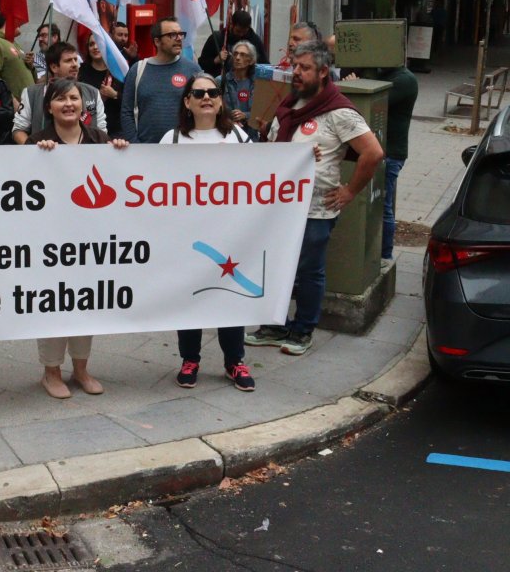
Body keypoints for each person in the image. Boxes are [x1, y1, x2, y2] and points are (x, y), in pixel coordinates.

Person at [246, 41, 384, 355]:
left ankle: (303, 330)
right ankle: (274, 326)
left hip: (315, 209)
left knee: (309, 270)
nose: (296, 72)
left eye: (304, 67)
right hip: (279, 206)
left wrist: (349, 191)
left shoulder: (339, 111)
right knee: (276, 265)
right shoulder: (289, 104)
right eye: (295, 65)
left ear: (323, 72)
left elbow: (373, 153)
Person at [26, 78, 128, 398]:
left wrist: (120, 152)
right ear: (49, 107)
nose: (68, 104)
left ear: (83, 105)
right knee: (53, 303)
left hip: (90, 240)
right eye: (61, 99)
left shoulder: (99, 139)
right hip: (51, 241)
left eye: (74, 98)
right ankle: (51, 372)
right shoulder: (37, 142)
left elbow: (116, 181)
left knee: (86, 301)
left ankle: (81, 369)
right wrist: (39, 156)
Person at [159, 73, 255, 391]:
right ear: (187, 102)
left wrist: (306, 157)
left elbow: (265, 173)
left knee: (230, 297)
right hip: (186, 236)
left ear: (220, 100)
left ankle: (234, 361)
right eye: (198, 93)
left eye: (213, 92)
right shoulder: (172, 139)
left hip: (230, 233)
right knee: (190, 297)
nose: (206, 98)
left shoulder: (238, 136)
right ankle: (190, 359)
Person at [120, 17, 203, 144]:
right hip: (145, 150)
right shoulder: (137, 70)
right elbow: (126, 112)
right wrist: (135, 144)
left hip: (184, 149)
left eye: (180, 34)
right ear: (157, 41)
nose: (179, 38)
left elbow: (203, 109)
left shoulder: (193, 70)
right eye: (172, 35)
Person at [367, 65, 418, 263]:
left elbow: (374, 103)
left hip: (390, 153)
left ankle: (385, 256)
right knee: (380, 204)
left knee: (383, 206)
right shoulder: (387, 75)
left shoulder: (404, 80)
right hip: (384, 150)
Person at [13, 42, 106, 144]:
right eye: (68, 61)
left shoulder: (93, 93)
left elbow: (101, 132)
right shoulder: (32, 93)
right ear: (54, 67)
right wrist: (36, 150)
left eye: (75, 60)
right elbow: (18, 130)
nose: (75, 65)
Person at [78, 32, 122, 137]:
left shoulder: (118, 71)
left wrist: (115, 94)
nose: (95, 47)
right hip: (88, 129)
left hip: (116, 131)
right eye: (91, 44)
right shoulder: (81, 70)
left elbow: (130, 102)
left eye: (99, 43)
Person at [0, 11, 36, 103]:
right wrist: (11, 100)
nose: (21, 22)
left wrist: (31, 66)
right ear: (8, 20)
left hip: (28, 103)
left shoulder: (12, 42)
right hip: (14, 105)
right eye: (17, 18)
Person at [198, 10, 268, 75]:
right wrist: (215, 60)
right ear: (231, 25)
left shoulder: (254, 40)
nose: (241, 35)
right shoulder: (217, 39)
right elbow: (201, 64)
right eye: (238, 31)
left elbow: (265, 65)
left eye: (244, 32)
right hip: (220, 81)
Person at [223, 40, 259, 141]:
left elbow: (262, 114)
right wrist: (228, 117)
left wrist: (245, 115)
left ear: (251, 61)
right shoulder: (221, 81)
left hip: (251, 137)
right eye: (235, 54)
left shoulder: (258, 84)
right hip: (228, 135)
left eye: (243, 55)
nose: (238, 58)